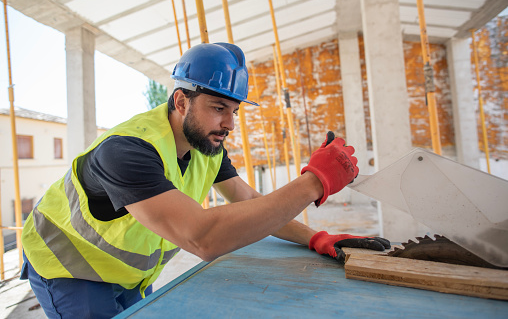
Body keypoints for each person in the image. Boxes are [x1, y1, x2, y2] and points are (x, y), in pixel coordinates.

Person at [20, 42, 390, 318]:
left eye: (233, 111)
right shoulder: (128, 151)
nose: (228, 124)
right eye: (217, 109)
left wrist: (315, 237)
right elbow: (203, 238)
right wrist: (313, 183)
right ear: (181, 102)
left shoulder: (206, 148)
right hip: (68, 269)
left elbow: (249, 201)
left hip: (126, 275)